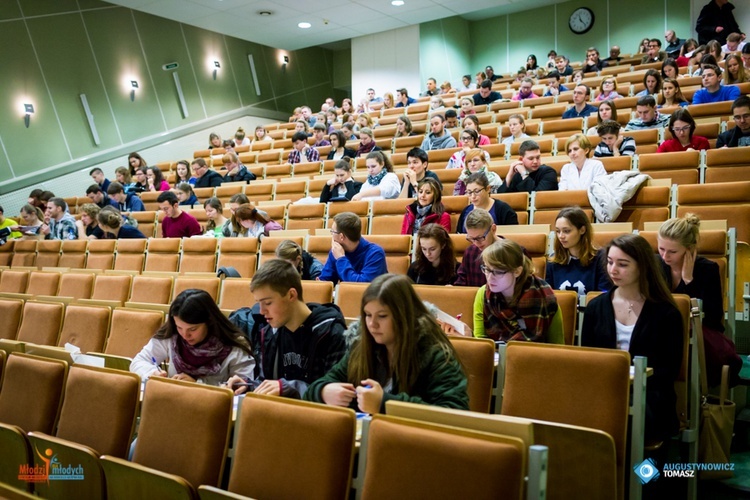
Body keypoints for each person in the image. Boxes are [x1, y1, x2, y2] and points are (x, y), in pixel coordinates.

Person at [305, 273, 468, 412]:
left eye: (382, 316)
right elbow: (316, 387)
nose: (372, 324)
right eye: (368, 315)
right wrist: (323, 391)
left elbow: (454, 413)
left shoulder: (435, 354)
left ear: (403, 316)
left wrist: (385, 403)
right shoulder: (362, 345)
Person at [581, 234, 683, 441]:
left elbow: (669, 369)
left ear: (642, 266)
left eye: (623, 264)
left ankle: (641, 473)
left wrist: (633, 381)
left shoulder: (666, 312)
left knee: (632, 419)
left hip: (650, 393)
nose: (613, 270)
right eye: (610, 262)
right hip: (605, 389)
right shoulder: (595, 307)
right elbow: (588, 359)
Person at [131, 289, 255, 385]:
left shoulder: (235, 345)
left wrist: (198, 385)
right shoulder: (172, 335)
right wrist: (152, 373)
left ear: (209, 322)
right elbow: (139, 361)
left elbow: (243, 386)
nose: (185, 335)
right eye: (180, 327)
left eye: (193, 329)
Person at [474, 239, 558, 342]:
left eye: (499, 272)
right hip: (494, 356)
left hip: (536, 356)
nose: (490, 277)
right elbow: (481, 341)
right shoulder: (484, 293)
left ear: (517, 271)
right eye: (487, 269)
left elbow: (557, 348)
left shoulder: (544, 296)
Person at [657, 214, 724, 332]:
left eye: (672, 251)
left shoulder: (708, 269)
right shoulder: (655, 263)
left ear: (689, 249)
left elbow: (713, 316)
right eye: (661, 249)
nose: (665, 256)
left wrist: (689, 281)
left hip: (695, 332)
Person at [546, 206, 609, 295]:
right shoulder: (553, 260)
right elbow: (548, 296)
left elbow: (604, 296)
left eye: (566, 231)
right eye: (558, 231)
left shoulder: (601, 258)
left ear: (582, 230)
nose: (561, 236)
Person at [318, 212, 388, 284]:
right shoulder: (336, 251)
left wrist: (341, 259)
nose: (331, 235)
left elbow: (360, 286)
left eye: (332, 231)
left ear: (341, 236)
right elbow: (326, 280)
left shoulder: (375, 253)